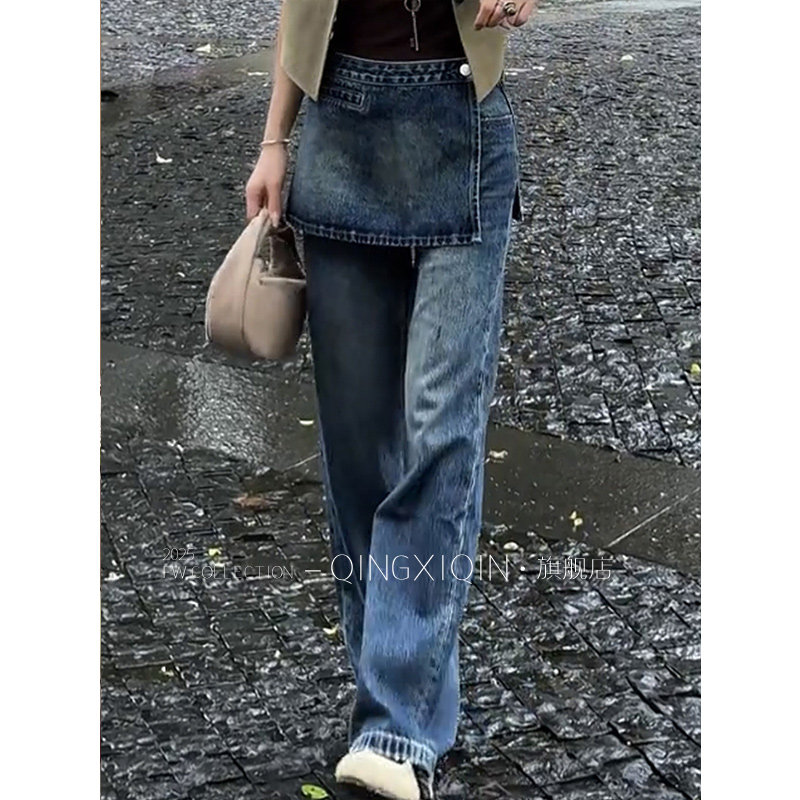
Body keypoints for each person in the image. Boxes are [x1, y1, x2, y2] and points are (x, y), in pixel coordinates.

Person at [245, 2, 537, 798]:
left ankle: (395, 728)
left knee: (441, 431)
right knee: (357, 451)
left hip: (463, 125)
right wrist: (275, 140)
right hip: (339, 135)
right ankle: (402, 690)